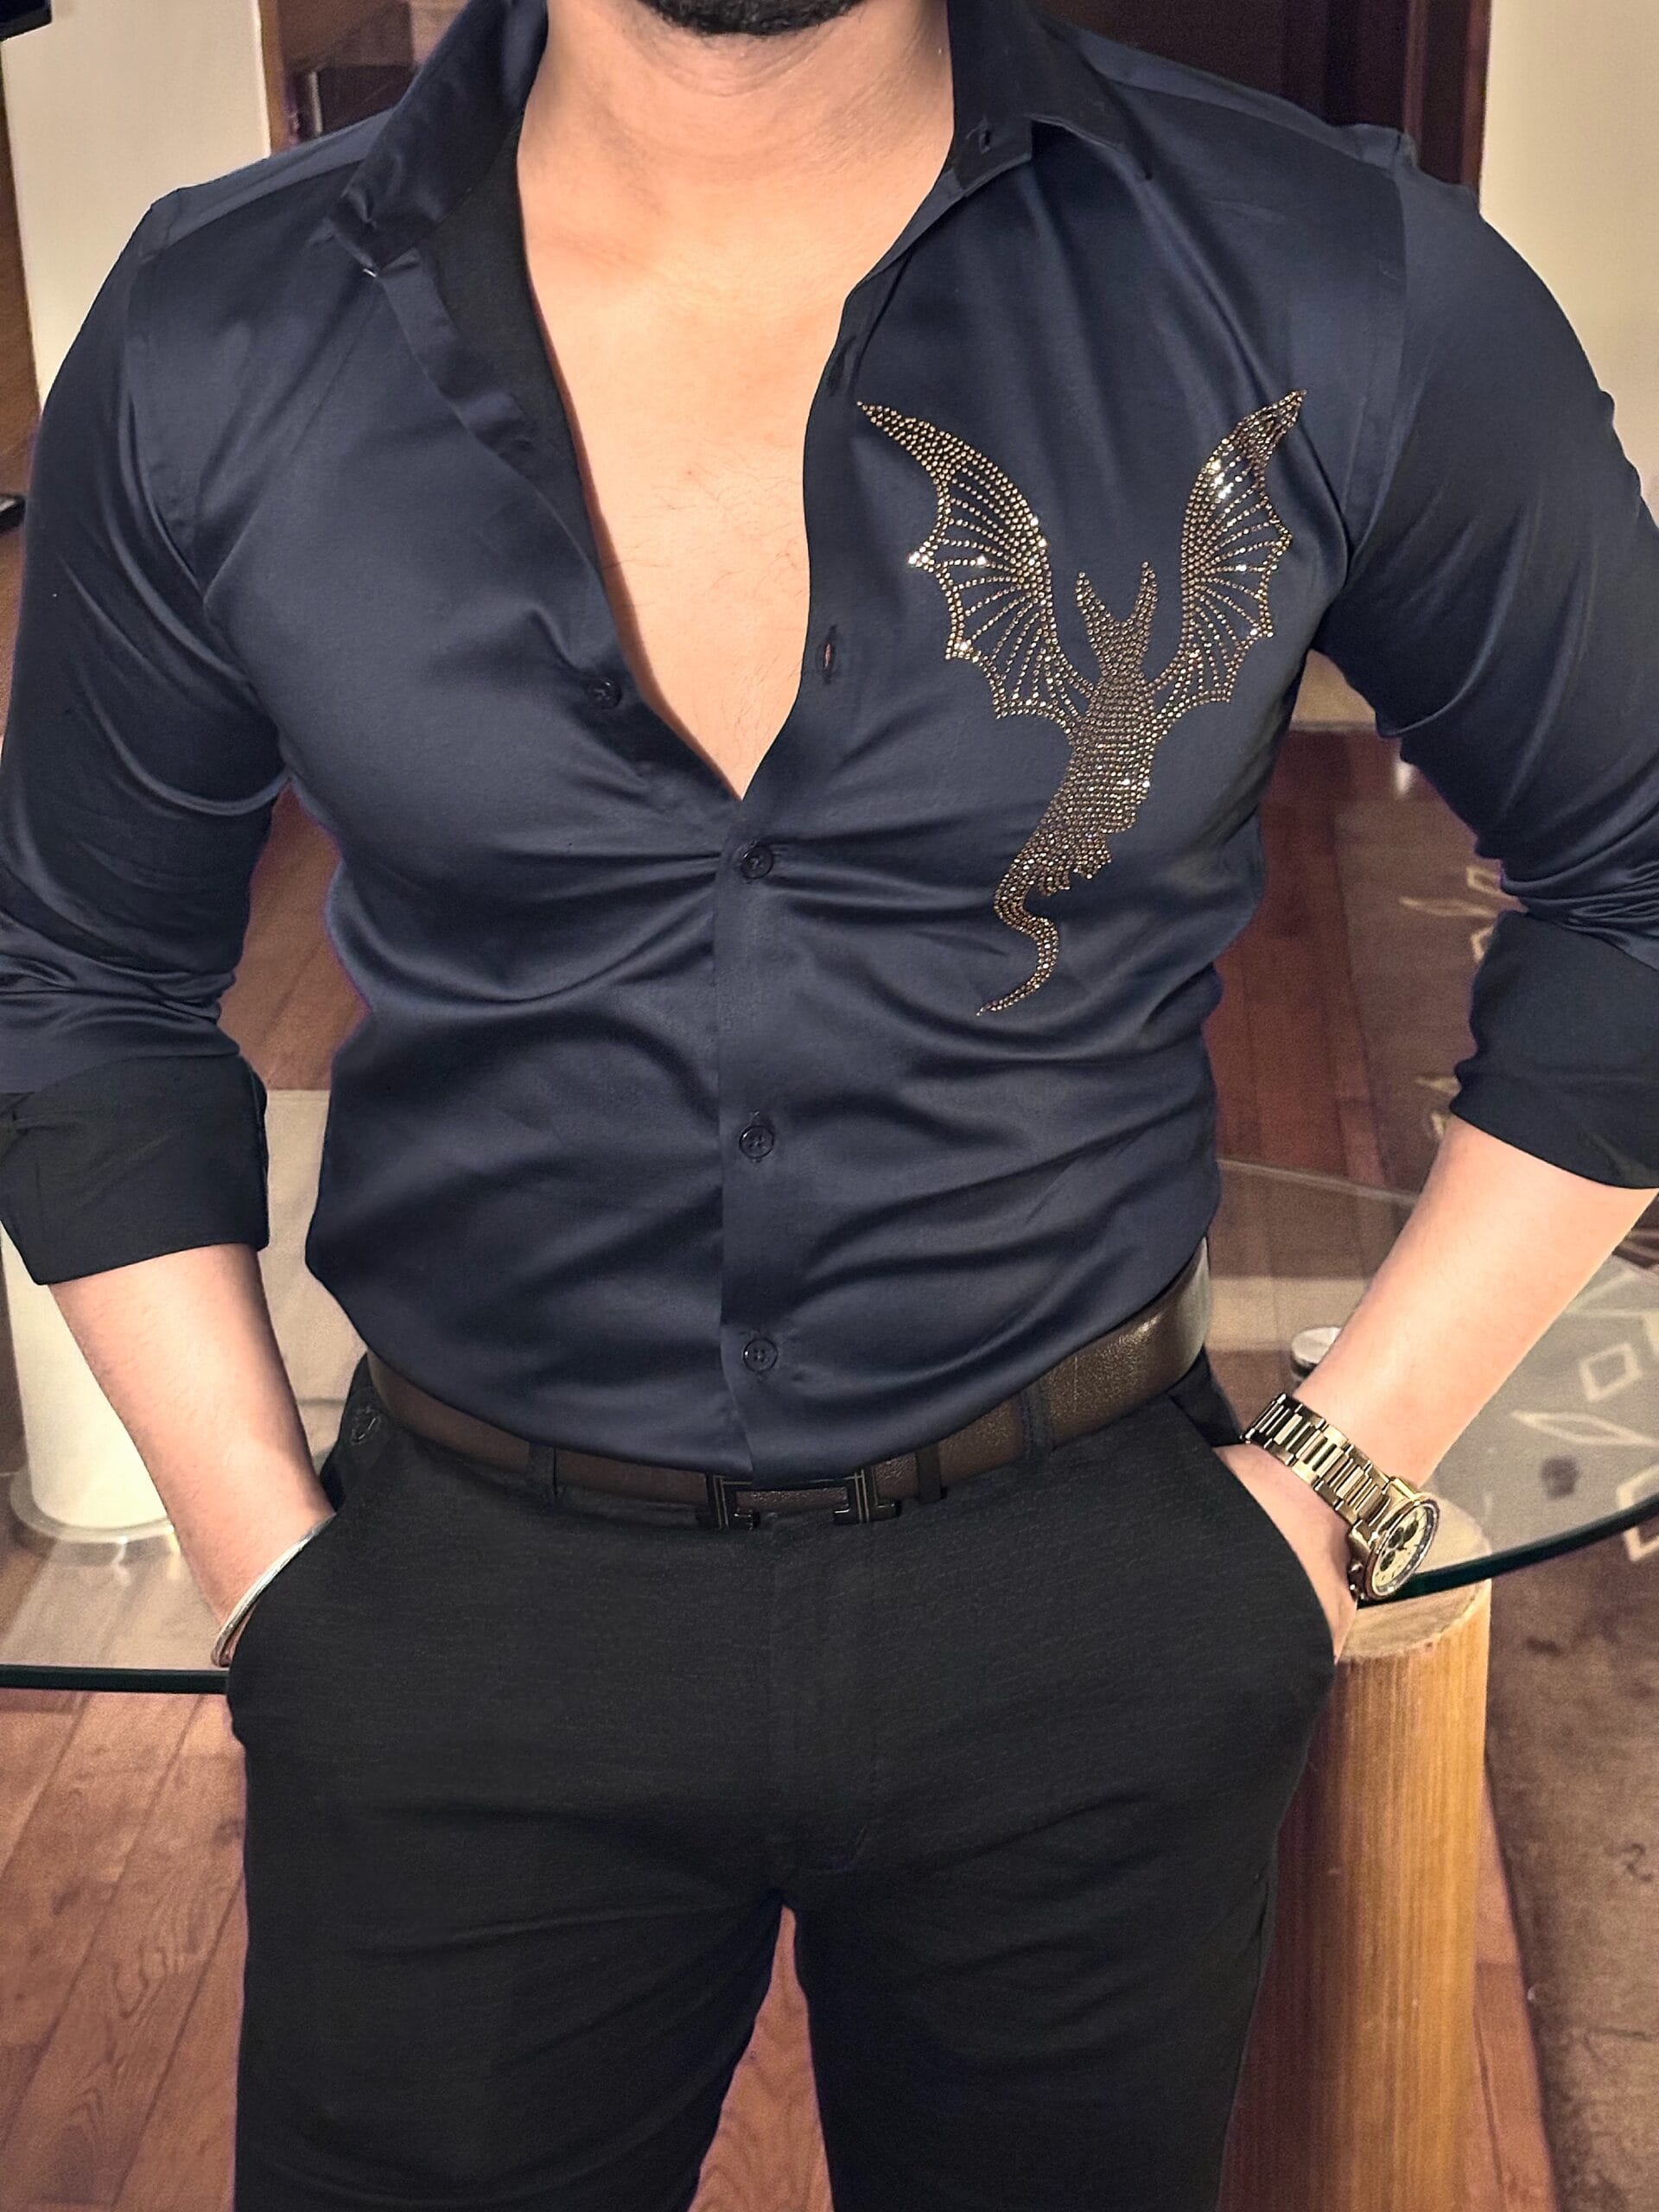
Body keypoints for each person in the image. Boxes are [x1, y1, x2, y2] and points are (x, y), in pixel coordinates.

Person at [2, 0, 1656, 2202]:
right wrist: (267, 1581)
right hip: (458, 1632)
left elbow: (1639, 876)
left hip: (1094, 1603)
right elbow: (79, 979)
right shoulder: (220, 320)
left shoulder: (1325, 276)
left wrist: (1337, 1484)